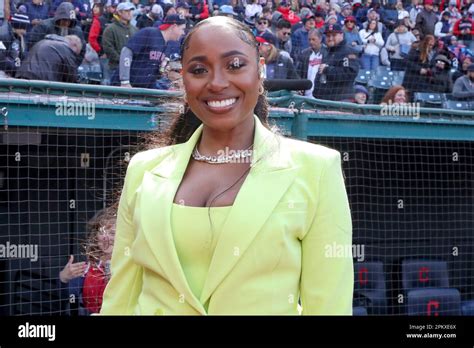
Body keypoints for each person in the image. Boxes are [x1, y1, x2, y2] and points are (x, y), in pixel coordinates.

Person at [100, 16, 353, 316]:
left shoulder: (317, 169)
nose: (217, 83)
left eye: (234, 65)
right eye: (199, 70)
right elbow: (120, 301)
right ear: (183, 79)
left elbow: (329, 308)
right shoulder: (142, 169)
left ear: (260, 71)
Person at [59, 207, 116, 315]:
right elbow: (69, 296)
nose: (106, 238)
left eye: (112, 233)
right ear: (95, 236)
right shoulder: (87, 267)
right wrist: (64, 278)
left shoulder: (131, 265)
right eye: (101, 232)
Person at [119, 14, 186, 88]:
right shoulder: (149, 32)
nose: (183, 33)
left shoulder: (169, 44)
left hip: (144, 88)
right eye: (182, 29)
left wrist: (164, 71)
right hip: (126, 86)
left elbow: (157, 72)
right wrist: (124, 81)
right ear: (174, 27)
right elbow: (126, 52)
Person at [312, 23, 359, 101]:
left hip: (340, 101)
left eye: (334, 35)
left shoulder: (348, 51)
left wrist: (327, 69)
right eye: (328, 36)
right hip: (324, 100)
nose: (330, 38)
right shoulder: (328, 52)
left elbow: (349, 74)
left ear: (341, 35)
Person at [16, 34, 82, 82]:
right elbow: (71, 76)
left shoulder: (42, 41)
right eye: (75, 53)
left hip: (22, 76)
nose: (73, 55)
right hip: (41, 82)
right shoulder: (66, 48)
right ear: (74, 45)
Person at [102, 2, 137, 85]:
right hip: (115, 68)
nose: (130, 13)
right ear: (120, 12)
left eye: (131, 11)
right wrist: (122, 60)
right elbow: (108, 48)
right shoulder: (110, 29)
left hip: (131, 69)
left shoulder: (134, 29)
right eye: (126, 11)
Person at [295, 28, 327, 97]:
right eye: (309, 39)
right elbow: (298, 72)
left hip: (321, 94)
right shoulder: (304, 54)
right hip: (306, 94)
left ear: (320, 39)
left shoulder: (327, 53)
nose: (311, 42)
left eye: (313, 39)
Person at [0, 13, 29, 77]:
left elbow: (22, 55)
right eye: (24, 29)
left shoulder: (19, 36)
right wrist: (16, 69)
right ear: (18, 26)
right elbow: (1, 59)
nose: (25, 32)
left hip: (11, 72)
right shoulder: (3, 35)